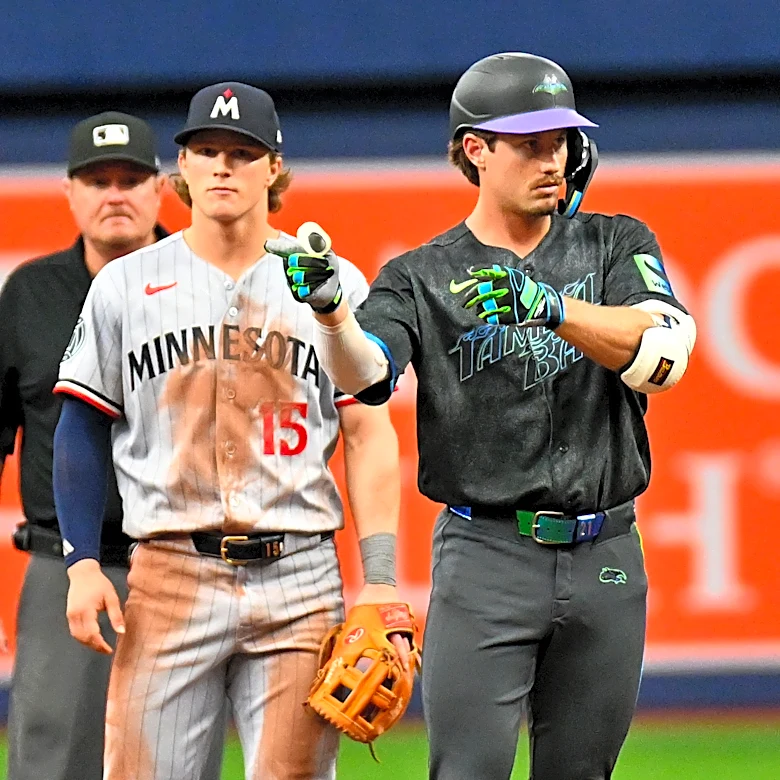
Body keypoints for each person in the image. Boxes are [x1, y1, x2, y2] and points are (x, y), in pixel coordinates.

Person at [270, 52, 697, 780]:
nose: (550, 158)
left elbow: (666, 353)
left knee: (583, 771)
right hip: (486, 556)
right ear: (476, 150)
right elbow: (368, 378)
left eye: (559, 141)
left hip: (607, 555)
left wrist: (554, 309)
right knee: (467, 770)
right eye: (528, 144)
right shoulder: (421, 275)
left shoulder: (616, 242)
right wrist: (332, 313)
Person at [52, 82, 404, 780]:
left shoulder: (328, 284)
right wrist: (83, 561)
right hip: (168, 571)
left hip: (300, 574)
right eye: (204, 151)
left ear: (274, 168)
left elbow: (369, 426)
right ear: (180, 169)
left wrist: (383, 577)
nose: (221, 166)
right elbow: (80, 426)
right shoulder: (126, 284)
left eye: (241, 153)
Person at [0, 111, 224, 780]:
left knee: (179, 763)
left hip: (187, 564)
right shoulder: (30, 295)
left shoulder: (209, 283)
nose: (114, 193)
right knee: (50, 759)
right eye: (97, 180)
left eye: (130, 178)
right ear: (70, 192)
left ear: (161, 189)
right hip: (64, 568)